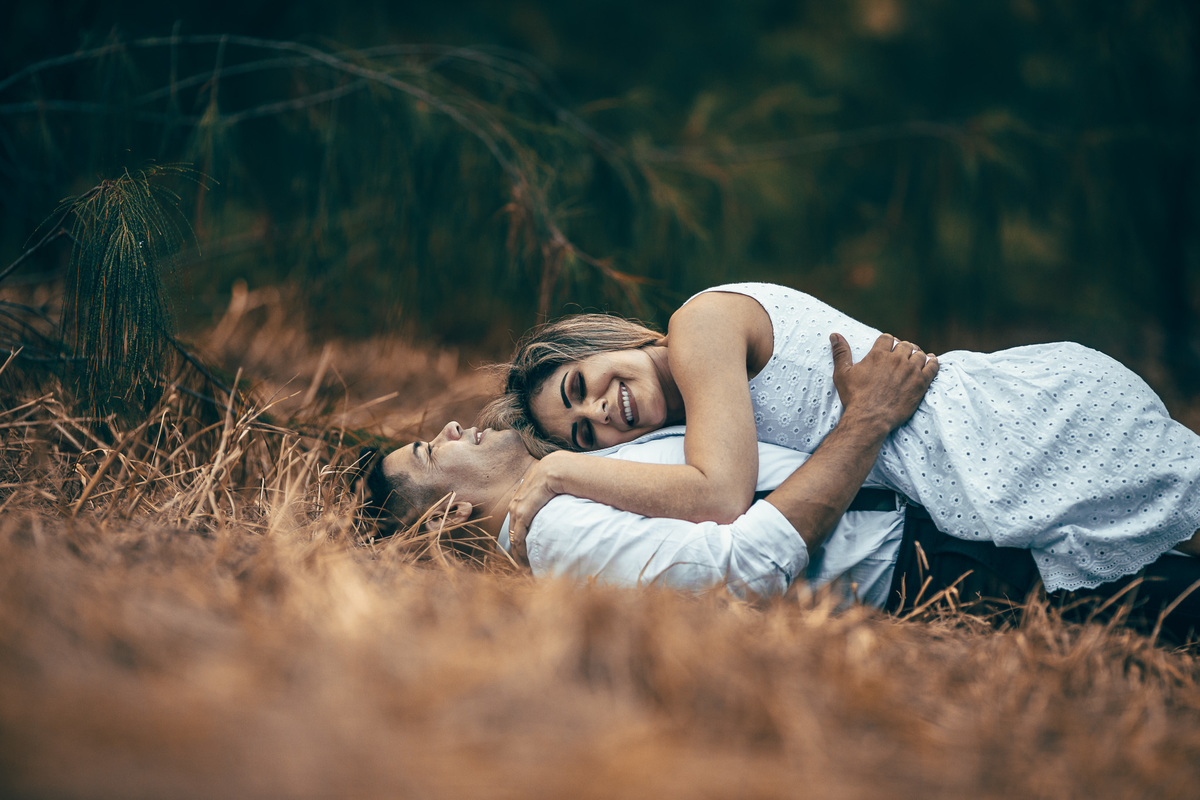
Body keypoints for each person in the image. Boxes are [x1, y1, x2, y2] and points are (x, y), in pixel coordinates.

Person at [363, 335, 1200, 640]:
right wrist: (865, 424)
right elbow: (744, 566)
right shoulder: (558, 535)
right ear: (446, 523)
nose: (441, 432)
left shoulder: (577, 479)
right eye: (425, 456)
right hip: (945, 563)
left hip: (954, 500)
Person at [485, 282, 1200, 595]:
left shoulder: (697, 328)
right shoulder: (700, 405)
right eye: (582, 433)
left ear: (610, 342)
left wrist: (558, 474)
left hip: (1015, 434)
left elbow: (720, 495)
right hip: (987, 459)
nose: (603, 414)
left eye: (583, 384)